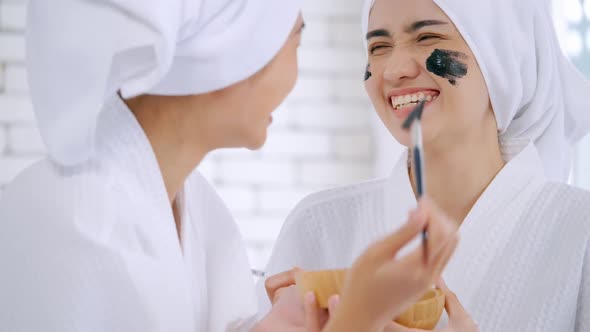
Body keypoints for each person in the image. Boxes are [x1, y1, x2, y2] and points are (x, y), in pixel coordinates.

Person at [0, 1, 460, 331]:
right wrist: (357, 321)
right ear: (232, 49)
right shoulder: (70, 230)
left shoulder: (200, 213)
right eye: (295, 37)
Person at [258, 0, 590, 331]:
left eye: (427, 38)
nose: (393, 69)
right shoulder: (318, 226)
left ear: (504, 55)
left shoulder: (580, 231)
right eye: (379, 46)